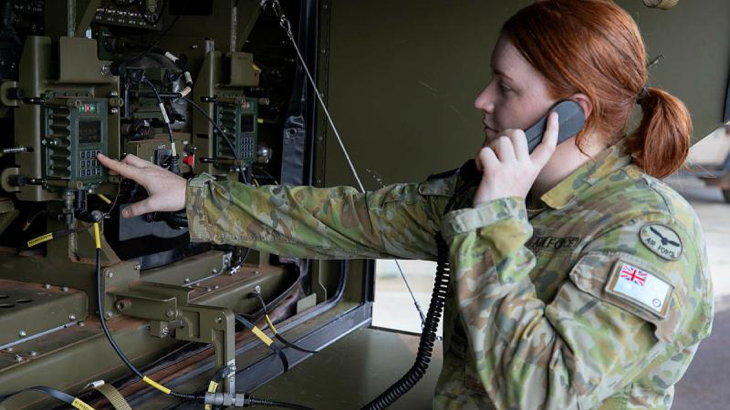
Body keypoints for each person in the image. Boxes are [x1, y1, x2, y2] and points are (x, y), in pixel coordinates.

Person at [97, 0, 713, 408]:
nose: (481, 100)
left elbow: (544, 393)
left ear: (569, 110)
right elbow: (350, 219)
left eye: (506, 87)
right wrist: (195, 197)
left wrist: (497, 223)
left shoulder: (646, 234)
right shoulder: (488, 190)